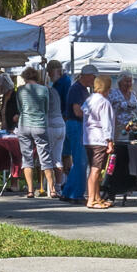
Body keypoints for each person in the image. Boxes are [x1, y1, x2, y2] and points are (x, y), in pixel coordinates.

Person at [13, 61, 60, 198]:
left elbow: (20, 108)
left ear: (25, 77)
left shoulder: (21, 90)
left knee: (27, 158)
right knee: (45, 157)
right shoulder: (44, 89)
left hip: (24, 124)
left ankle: (30, 190)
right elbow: (45, 109)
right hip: (39, 124)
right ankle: (52, 189)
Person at [81, 73, 119, 208]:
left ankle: (97, 197)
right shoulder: (104, 103)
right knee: (96, 170)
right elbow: (106, 123)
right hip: (100, 139)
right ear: (107, 88)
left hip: (88, 138)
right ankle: (91, 199)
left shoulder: (89, 99)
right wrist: (109, 141)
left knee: (94, 169)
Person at [51, 59, 86, 204]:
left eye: (49, 72)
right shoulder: (71, 85)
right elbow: (77, 111)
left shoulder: (65, 83)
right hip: (69, 123)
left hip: (64, 121)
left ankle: (67, 189)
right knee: (77, 160)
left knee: (70, 158)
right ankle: (71, 191)